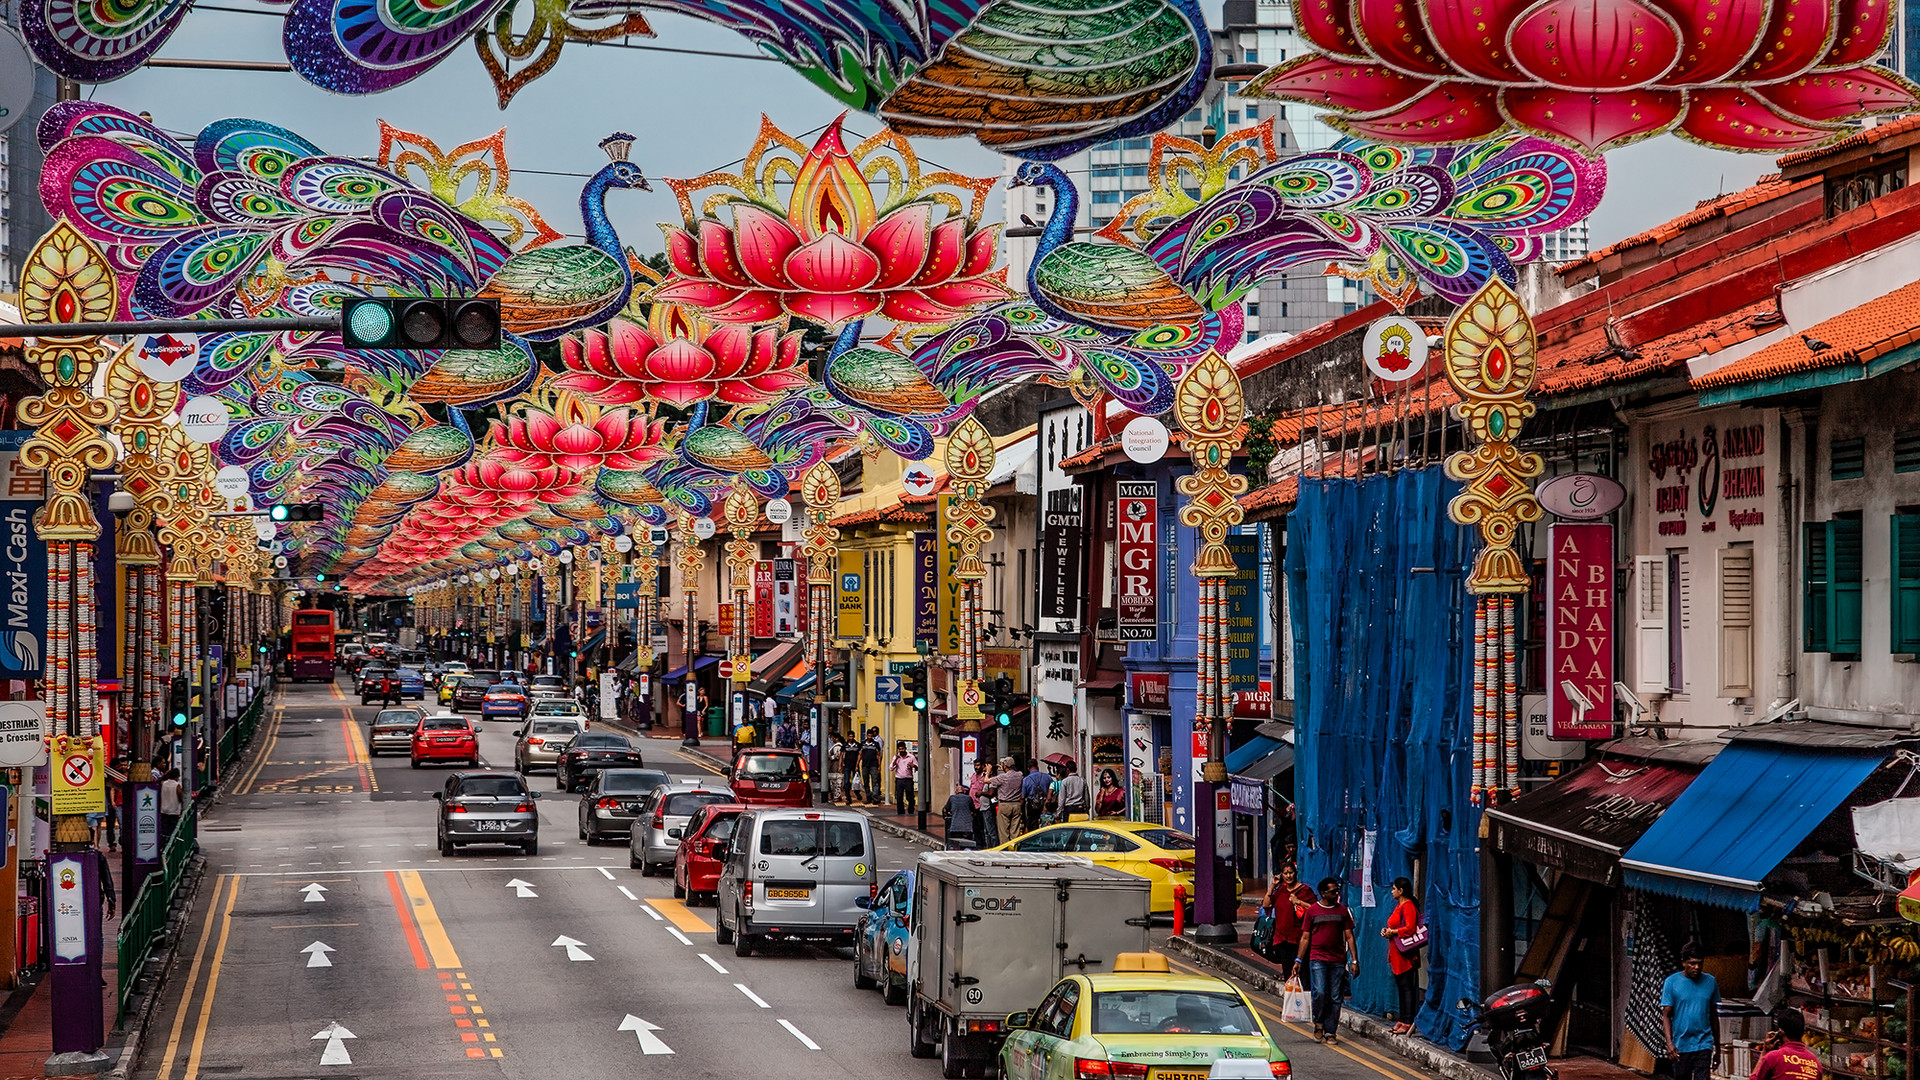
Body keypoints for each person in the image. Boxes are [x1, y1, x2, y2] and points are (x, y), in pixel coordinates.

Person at [1291, 878, 1359, 1045]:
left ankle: (1331, 1031)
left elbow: (1349, 936)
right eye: (1333, 891)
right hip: (1317, 958)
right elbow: (1305, 937)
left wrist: (1354, 960)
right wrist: (1298, 960)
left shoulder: (1342, 911)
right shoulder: (1312, 912)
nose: (1337, 894)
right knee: (1320, 992)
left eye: (1337, 891)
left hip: (1337, 959)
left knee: (1336, 997)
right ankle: (1319, 1023)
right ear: (1323, 893)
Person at [1661, 945, 1721, 1080]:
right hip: (1681, 1045)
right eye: (1692, 963)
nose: (1697, 967)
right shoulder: (1671, 982)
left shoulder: (1710, 981)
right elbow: (1666, 1016)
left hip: (1704, 1043)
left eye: (1700, 963)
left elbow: (1714, 1016)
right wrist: (1669, 1044)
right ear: (1683, 962)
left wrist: (1718, 1048)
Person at [1381, 877, 1422, 1033]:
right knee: (1401, 986)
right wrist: (1387, 932)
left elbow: (1410, 928)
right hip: (1396, 952)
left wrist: (1393, 932)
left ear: (1401, 890)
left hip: (1405, 954)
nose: (1392, 891)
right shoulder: (1399, 906)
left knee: (1406, 987)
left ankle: (1407, 1020)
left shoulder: (1408, 906)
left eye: (1394, 888)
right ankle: (1402, 1019)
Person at [1258, 864, 1314, 969]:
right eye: (1285, 873)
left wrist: (1299, 902)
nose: (1288, 876)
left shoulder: (1305, 890)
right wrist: (1272, 885)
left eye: (1290, 873)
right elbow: (1266, 904)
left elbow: (1313, 909)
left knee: (1303, 973)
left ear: (1295, 873)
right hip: (1282, 938)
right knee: (1287, 971)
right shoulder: (1281, 891)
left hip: (1299, 938)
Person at [1748, 1009, 1820, 1080]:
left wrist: (1764, 1053)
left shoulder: (1773, 1057)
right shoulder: (1815, 1062)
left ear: (1780, 1032)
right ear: (1803, 1031)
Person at [991, 757, 1027, 841]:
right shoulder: (1020, 775)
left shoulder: (1002, 777)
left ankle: (1005, 850)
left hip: (1004, 804)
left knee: (1003, 832)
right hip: (1016, 804)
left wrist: (989, 771)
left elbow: (986, 780)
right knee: (1015, 831)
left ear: (1005, 765)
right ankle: (1014, 848)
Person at [969, 760, 998, 847]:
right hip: (975, 806)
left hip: (984, 807)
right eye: (975, 765)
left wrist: (980, 793)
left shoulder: (988, 779)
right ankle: (983, 846)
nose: (976, 767)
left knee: (989, 830)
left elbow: (990, 792)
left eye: (978, 765)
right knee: (981, 829)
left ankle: (991, 846)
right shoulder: (974, 776)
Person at [941, 784, 978, 849]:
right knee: (967, 845)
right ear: (964, 792)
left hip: (955, 828)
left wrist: (947, 814)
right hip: (967, 828)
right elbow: (973, 810)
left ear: (955, 792)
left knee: (955, 845)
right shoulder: (968, 798)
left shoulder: (952, 798)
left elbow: (945, 809)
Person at [1020, 762, 1052, 832]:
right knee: (1046, 825)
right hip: (1045, 804)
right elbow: (1053, 790)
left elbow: (1023, 796)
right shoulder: (1047, 777)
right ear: (1037, 766)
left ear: (1028, 768)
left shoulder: (1026, 779)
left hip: (1032, 806)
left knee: (1032, 826)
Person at [891, 742, 918, 816]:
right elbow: (891, 768)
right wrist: (896, 758)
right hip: (899, 779)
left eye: (903, 749)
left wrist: (913, 765)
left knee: (910, 796)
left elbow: (917, 767)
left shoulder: (911, 757)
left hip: (908, 779)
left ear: (905, 748)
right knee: (899, 797)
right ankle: (900, 812)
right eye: (900, 749)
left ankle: (911, 810)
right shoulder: (896, 757)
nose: (901, 750)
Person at [860, 729, 883, 807]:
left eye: (871, 735)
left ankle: (875, 798)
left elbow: (879, 755)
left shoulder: (876, 744)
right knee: (866, 782)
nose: (869, 737)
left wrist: (879, 766)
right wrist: (857, 764)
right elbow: (860, 754)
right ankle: (868, 797)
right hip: (865, 765)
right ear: (866, 735)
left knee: (875, 782)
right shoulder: (863, 744)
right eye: (868, 735)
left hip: (874, 765)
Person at [158, 769, 183, 841]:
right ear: (177, 776)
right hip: (173, 811)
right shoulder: (177, 785)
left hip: (164, 810)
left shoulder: (164, 783)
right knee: (172, 830)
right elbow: (180, 796)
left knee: (164, 830)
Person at [826, 734, 848, 804]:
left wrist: (831, 757)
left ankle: (836, 797)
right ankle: (837, 796)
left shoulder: (838, 746)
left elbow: (838, 756)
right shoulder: (838, 746)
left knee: (836, 782)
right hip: (835, 767)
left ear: (836, 738)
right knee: (836, 782)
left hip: (835, 766)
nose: (832, 739)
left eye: (833, 738)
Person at [841, 732, 862, 806]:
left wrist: (857, 765)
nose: (851, 738)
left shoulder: (858, 745)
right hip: (847, 765)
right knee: (846, 782)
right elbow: (841, 755)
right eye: (850, 736)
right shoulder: (845, 745)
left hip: (855, 765)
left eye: (852, 736)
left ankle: (857, 792)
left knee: (856, 781)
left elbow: (860, 754)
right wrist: (840, 765)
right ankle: (848, 797)